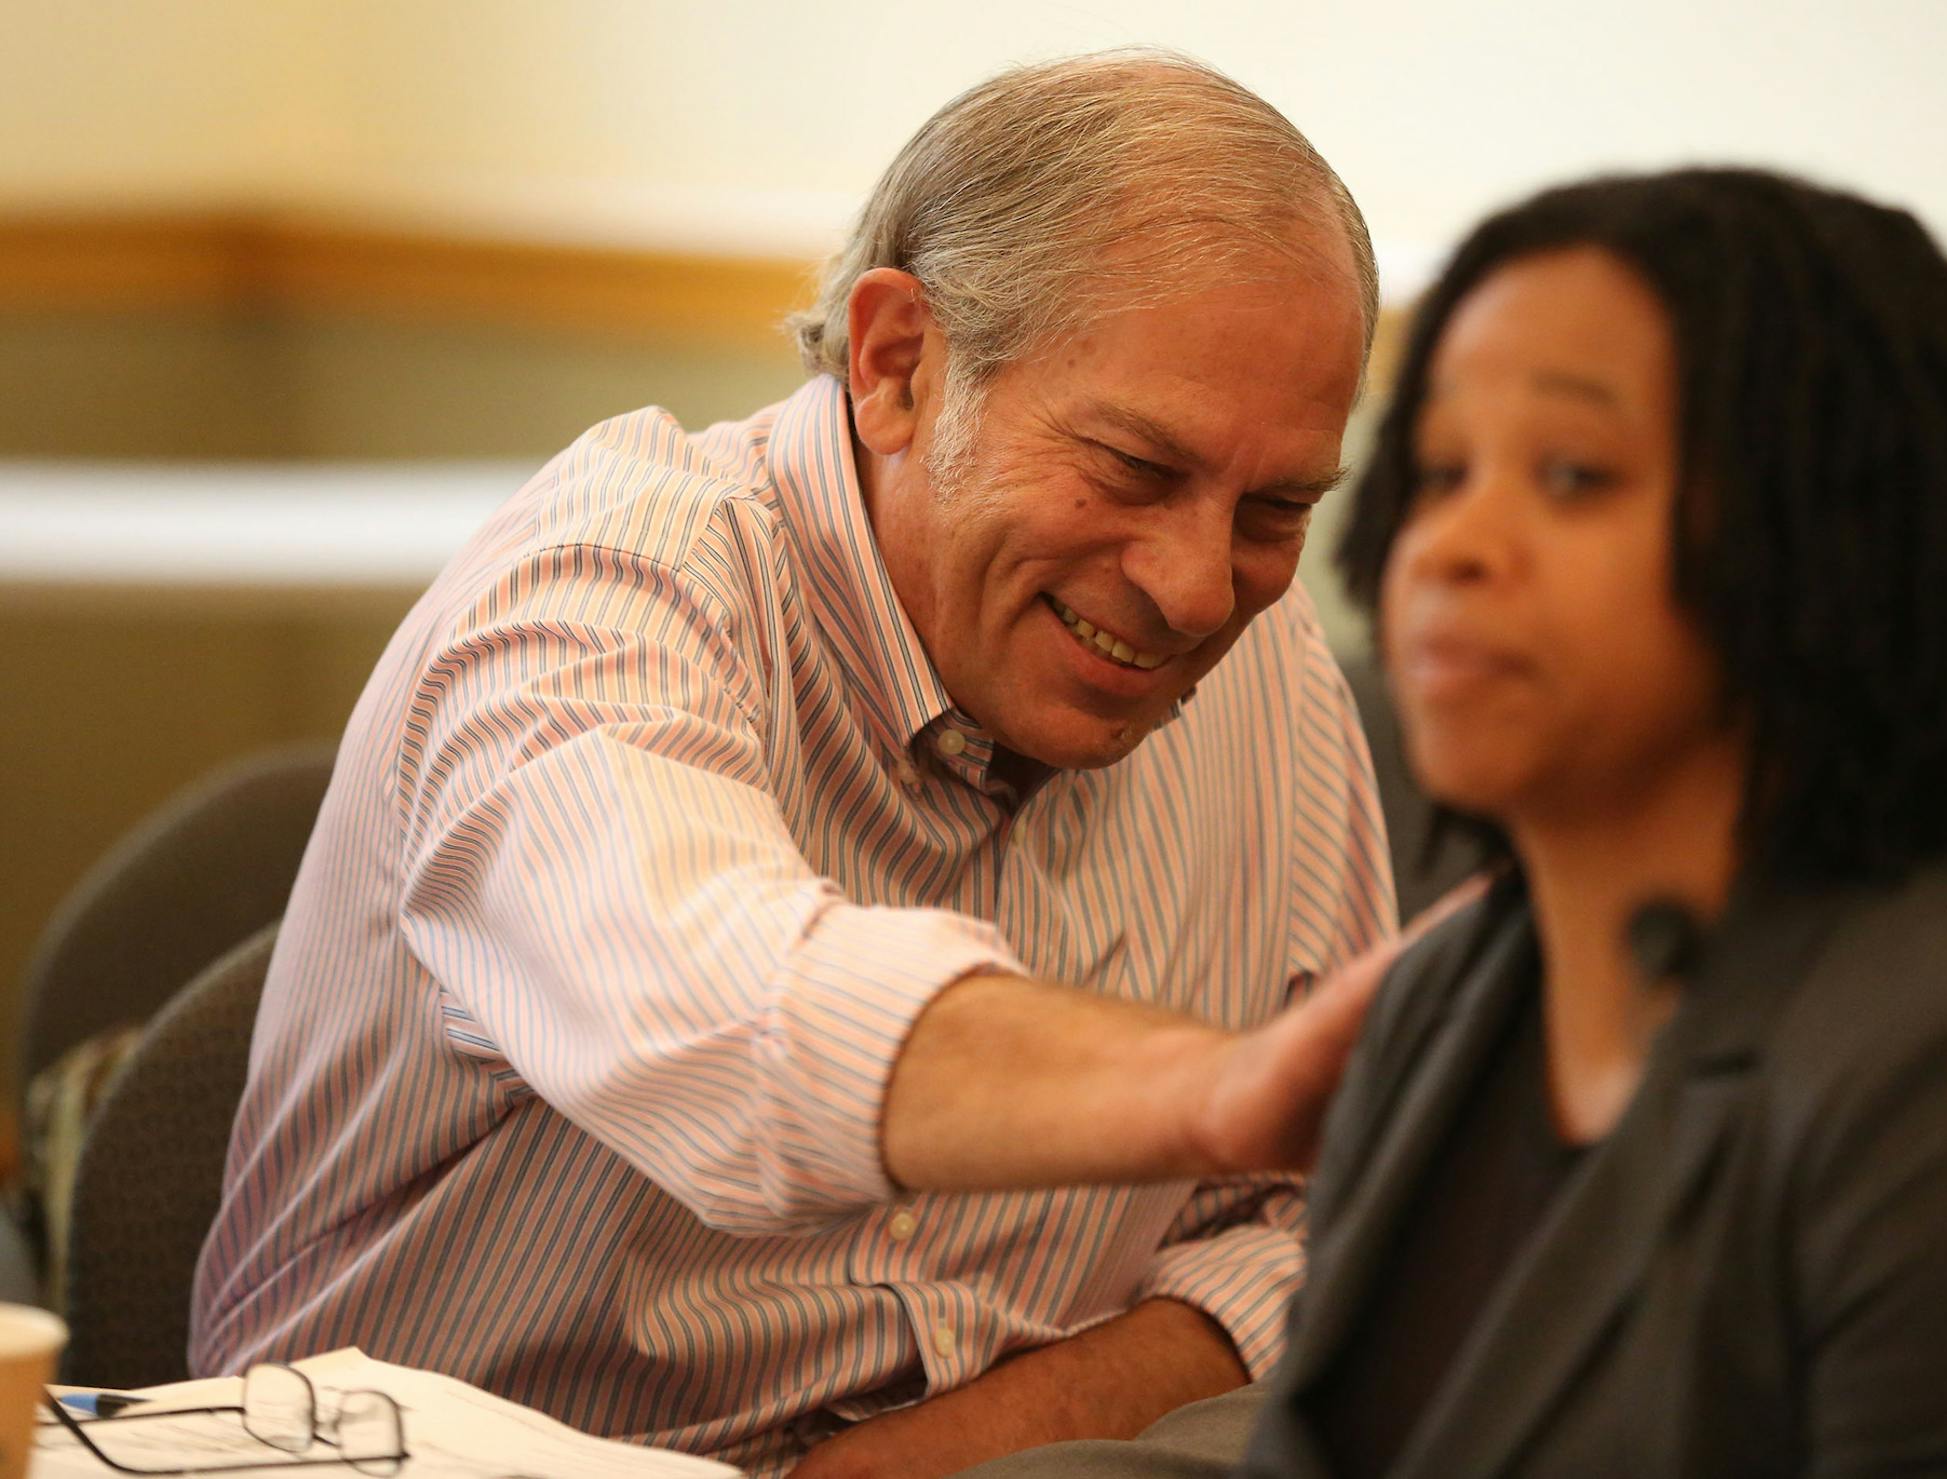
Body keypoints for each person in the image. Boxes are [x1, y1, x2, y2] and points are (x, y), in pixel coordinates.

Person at [190, 51, 1399, 1479]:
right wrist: (1216, 1086)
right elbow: (734, 1018)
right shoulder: (596, 590)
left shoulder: (1263, 657)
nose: (1203, 590)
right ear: (898, 365)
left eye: (1275, 509)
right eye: (1134, 469)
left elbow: (1321, 1221)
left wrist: (951, 1450)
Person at [959, 167, 1947, 1478]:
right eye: (1443, 471)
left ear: (1826, 536)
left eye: (1574, 475)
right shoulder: (1452, 1000)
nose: (1453, 546)